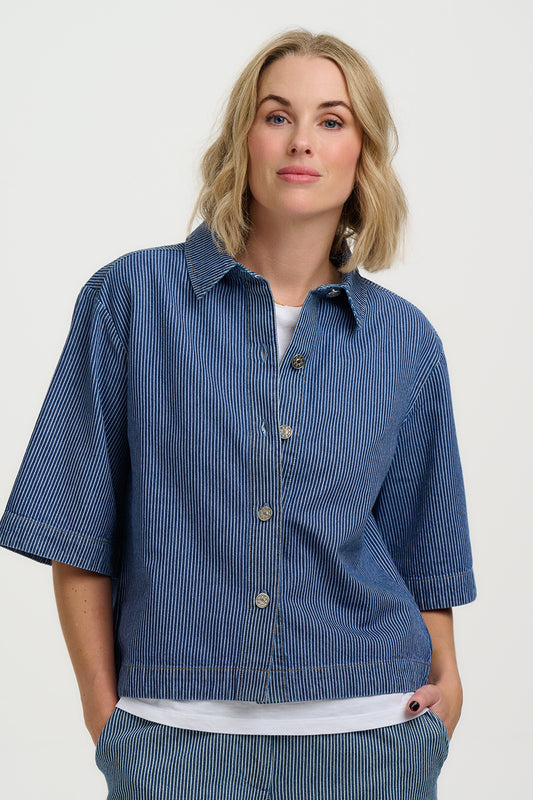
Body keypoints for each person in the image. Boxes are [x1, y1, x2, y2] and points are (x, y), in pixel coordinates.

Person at [0, 28, 476, 800]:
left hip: (371, 740)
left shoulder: (403, 341)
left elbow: (423, 548)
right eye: (275, 114)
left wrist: (447, 685)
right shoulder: (130, 301)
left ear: (362, 155)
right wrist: (105, 714)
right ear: (242, 140)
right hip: (171, 744)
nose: (300, 141)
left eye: (331, 120)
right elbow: (75, 529)